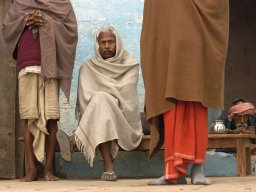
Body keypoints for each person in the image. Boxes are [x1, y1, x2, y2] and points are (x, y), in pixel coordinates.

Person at [140, 0, 229, 185]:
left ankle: (198, 169)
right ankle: (173, 172)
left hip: (195, 45)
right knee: (171, 110)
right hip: (168, 47)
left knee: (196, 106)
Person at [2, 0, 78, 182]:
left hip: (51, 67)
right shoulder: (21, 3)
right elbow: (7, 28)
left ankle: (49, 169)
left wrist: (45, 20)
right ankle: (31, 169)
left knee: (51, 118)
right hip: (27, 65)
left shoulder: (61, 3)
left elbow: (70, 30)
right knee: (29, 118)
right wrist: (27, 20)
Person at [57, 26, 143, 181]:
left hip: (124, 122)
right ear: (97, 45)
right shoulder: (88, 68)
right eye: (103, 42)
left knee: (102, 101)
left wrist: (107, 99)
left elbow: (127, 100)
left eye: (111, 42)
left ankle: (76, 139)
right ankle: (108, 168)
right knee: (101, 104)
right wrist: (106, 99)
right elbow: (85, 103)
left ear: (118, 43)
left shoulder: (130, 66)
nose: (107, 46)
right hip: (99, 120)